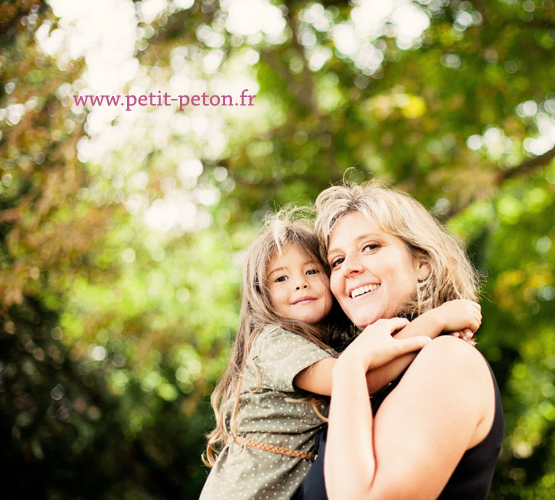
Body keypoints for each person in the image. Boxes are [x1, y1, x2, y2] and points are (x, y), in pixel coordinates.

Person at [200, 211, 483, 500]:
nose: (300, 283)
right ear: (262, 295)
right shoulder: (272, 343)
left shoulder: (334, 344)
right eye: (281, 278)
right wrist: (435, 323)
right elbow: (357, 377)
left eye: (312, 271)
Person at [295, 182, 504, 500]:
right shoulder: (363, 384)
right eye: (336, 261)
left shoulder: (449, 360)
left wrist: (350, 365)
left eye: (371, 247)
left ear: (422, 264)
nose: (349, 268)